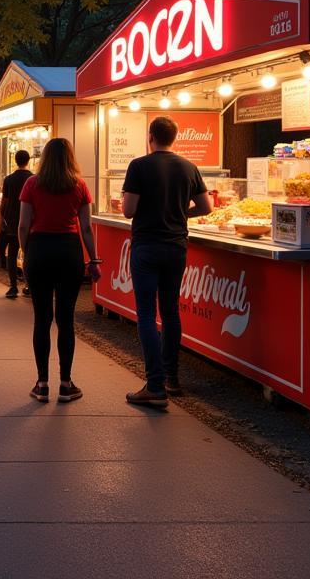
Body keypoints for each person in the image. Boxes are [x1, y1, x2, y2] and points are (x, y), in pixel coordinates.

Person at [122, 116, 212, 408]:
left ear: (151, 137)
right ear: (175, 138)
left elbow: (128, 210)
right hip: (176, 247)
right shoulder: (189, 167)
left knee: (147, 314)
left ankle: (155, 385)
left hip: (146, 246)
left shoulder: (139, 165)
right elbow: (206, 206)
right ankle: (172, 378)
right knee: (171, 311)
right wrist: (177, 213)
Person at [18, 138, 100, 404]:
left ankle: (42, 384)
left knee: (41, 319)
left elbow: (23, 224)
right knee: (66, 319)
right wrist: (94, 259)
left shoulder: (32, 184)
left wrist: (26, 251)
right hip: (69, 251)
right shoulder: (79, 185)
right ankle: (66, 384)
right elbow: (86, 228)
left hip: (39, 250)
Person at [0, 150, 33, 298]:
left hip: (12, 222)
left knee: (12, 254)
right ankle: (28, 286)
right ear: (28, 160)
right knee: (28, 254)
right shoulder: (33, 178)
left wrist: (2, 220)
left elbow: (4, 202)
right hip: (30, 222)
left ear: (15, 161)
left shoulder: (9, 179)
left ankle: (13, 286)